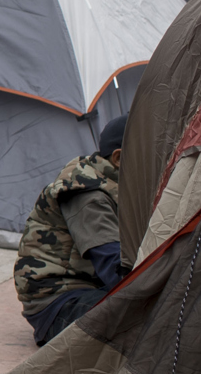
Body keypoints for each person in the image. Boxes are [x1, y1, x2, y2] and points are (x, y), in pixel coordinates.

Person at [15, 117, 127, 346]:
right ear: (119, 158)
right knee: (143, 321)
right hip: (58, 302)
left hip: (94, 286)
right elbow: (115, 269)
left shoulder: (121, 183)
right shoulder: (88, 194)